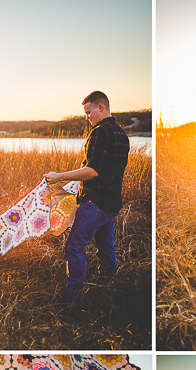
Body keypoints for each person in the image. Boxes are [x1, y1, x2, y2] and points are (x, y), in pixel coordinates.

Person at [45, 91, 130, 306]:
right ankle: (108, 285)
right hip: (112, 204)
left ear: (101, 108)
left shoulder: (100, 132)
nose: (87, 117)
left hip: (95, 203)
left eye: (88, 111)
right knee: (106, 246)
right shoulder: (122, 134)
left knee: (74, 247)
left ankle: (73, 299)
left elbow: (92, 171)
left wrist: (59, 176)